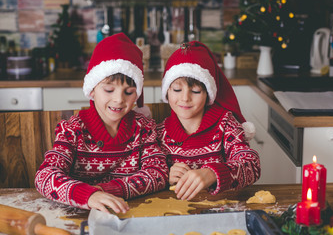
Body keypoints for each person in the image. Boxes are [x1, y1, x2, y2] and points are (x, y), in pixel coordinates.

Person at [35, 33, 169, 214]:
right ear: (92, 90)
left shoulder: (143, 129)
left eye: (128, 92)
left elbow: (159, 173)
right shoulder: (73, 130)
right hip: (81, 213)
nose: (119, 100)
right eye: (109, 90)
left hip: (130, 212)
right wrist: (88, 195)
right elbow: (45, 176)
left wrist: (109, 190)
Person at [157, 41, 260, 201]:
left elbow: (251, 165)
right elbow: (147, 173)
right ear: (167, 92)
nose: (185, 98)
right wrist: (165, 175)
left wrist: (212, 173)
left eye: (196, 91)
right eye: (177, 89)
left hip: (222, 209)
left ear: (208, 95)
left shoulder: (226, 124)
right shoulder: (159, 133)